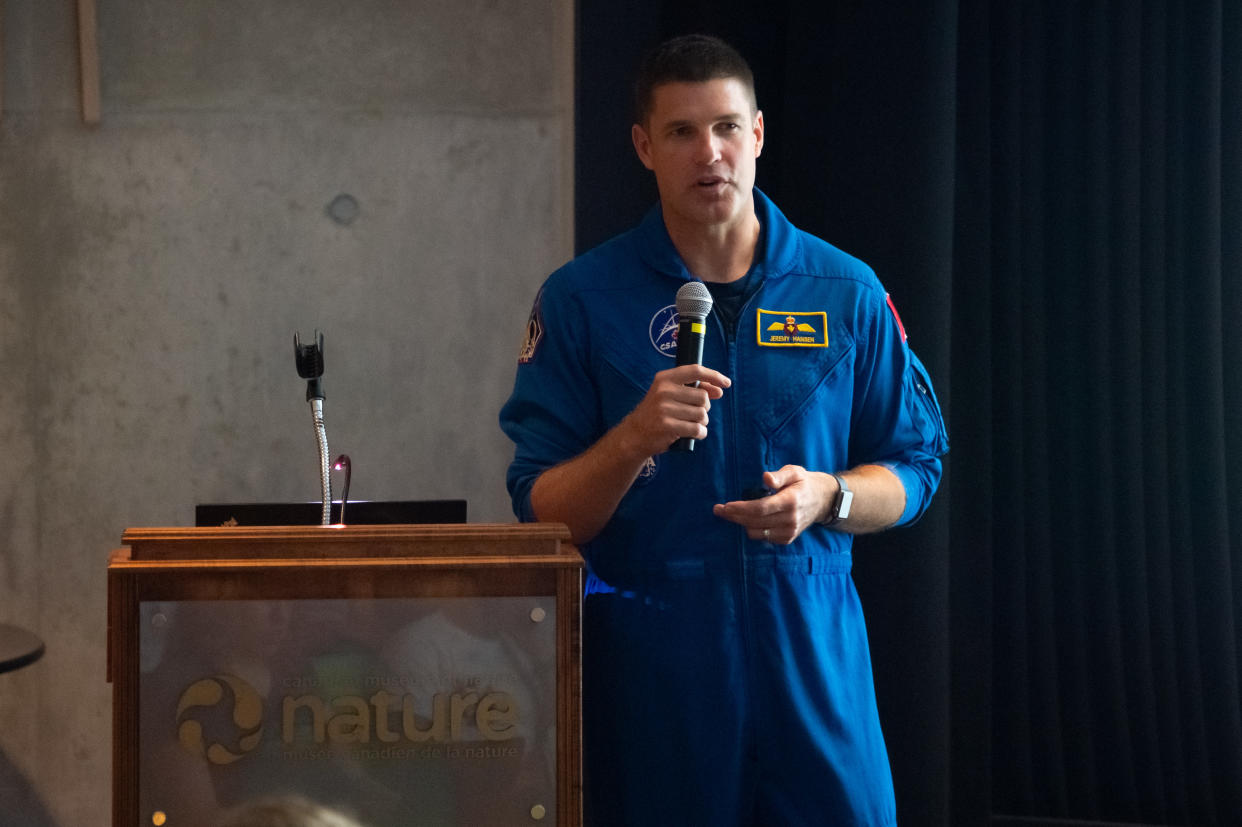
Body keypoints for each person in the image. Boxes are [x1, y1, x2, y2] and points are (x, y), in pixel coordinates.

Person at [500, 33, 948, 826]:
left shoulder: (845, 290)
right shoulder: (581, 299)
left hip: (814, 664)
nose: (709, 153)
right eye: (680, 132)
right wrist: (632, 436)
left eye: (727, 127)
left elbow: (917, 466)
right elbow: (541, 509)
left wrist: (831, 496)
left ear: (759, 134)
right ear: (644, 146)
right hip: (654, 672)